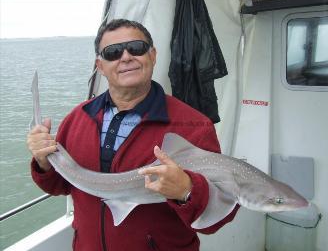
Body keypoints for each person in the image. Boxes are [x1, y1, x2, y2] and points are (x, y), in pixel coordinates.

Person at [27, 19, 239, 251]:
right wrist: (43, 162)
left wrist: (187, 190)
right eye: (113, 52)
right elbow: (61, 186)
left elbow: (216, 219)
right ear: (100, 65)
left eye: (136, 48)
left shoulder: (194, 126)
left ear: (153, 55)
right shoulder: (78, 117)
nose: (126, 57)